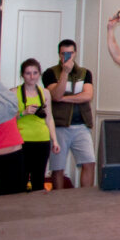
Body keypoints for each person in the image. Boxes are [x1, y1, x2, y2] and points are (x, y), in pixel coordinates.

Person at [42, 39, 95, 189]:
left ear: (75, 53)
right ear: (59, 55)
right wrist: (64, 73)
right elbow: (55, 95)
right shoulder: (50, 73)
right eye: (64, 54)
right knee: (58, 167)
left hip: (81, 125)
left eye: (70, 53)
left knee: (89, 162)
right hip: (59, 126)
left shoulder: (85, 73)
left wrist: (63, 98)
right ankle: (60, 201)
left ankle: (86, 198)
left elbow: (87, 95)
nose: (67, 57)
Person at [16, 58, 58, 191]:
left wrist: (55, 140)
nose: (32, 76)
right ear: (22, 75)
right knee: (20, 179)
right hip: (22, 140)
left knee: (38, 179)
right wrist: (24, 112)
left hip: (42, 140)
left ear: (39, 74)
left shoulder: (45, 93)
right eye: (28, 73)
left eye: (35, 73)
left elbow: (49, 118)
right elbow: (8, 118)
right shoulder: (13, 93)